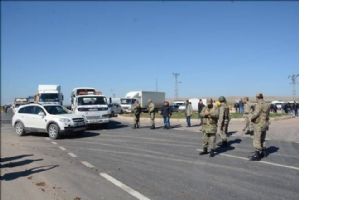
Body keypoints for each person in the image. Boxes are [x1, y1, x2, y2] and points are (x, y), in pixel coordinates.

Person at [249, 93, 271, 161]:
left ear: (257, 97)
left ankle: (257, 155)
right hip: (265, 123)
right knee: (263, 138)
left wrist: (251, 117)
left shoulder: (259, 104)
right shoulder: (267, 104)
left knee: (257, 139)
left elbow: (256, 114)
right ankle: (263, 152)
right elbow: (267, 115)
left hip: (259, 124)